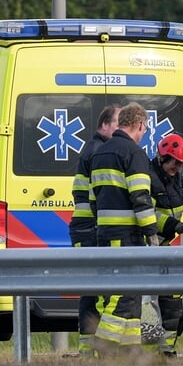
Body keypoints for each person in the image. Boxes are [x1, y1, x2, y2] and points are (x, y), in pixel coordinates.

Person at [85, 103, 161, 351]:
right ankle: (104, 345)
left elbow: (93, 199)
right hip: (127, 235)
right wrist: (152, 233)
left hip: (105, 233)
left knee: (123, 294)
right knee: (125, 293)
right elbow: (141, 197)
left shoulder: (100, 153)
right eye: (145, 128)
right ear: (140, 124)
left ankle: (128, 351)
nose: (144, 133)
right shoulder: (134, 153)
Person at [69, 104, 121, 343]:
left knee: (94, 288)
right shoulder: (98, 151)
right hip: (88, 227)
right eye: (118, 125)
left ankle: (89, 347)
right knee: (93, 290)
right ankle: (89, 347)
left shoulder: (96, 147)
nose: (122, 130)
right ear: (104, 125)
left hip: (87, 226)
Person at [145, 132, 183, 348]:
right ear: (163, 157)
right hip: (147, 245)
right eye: (175, 163)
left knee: (171, 297)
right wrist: (173, 225)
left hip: (165, 246)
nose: (177, 169)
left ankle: (166, 347)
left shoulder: (181, 177)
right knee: (146, 299)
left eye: (181, 164)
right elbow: (146, 212)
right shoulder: (147, 176)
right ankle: (149, 347)